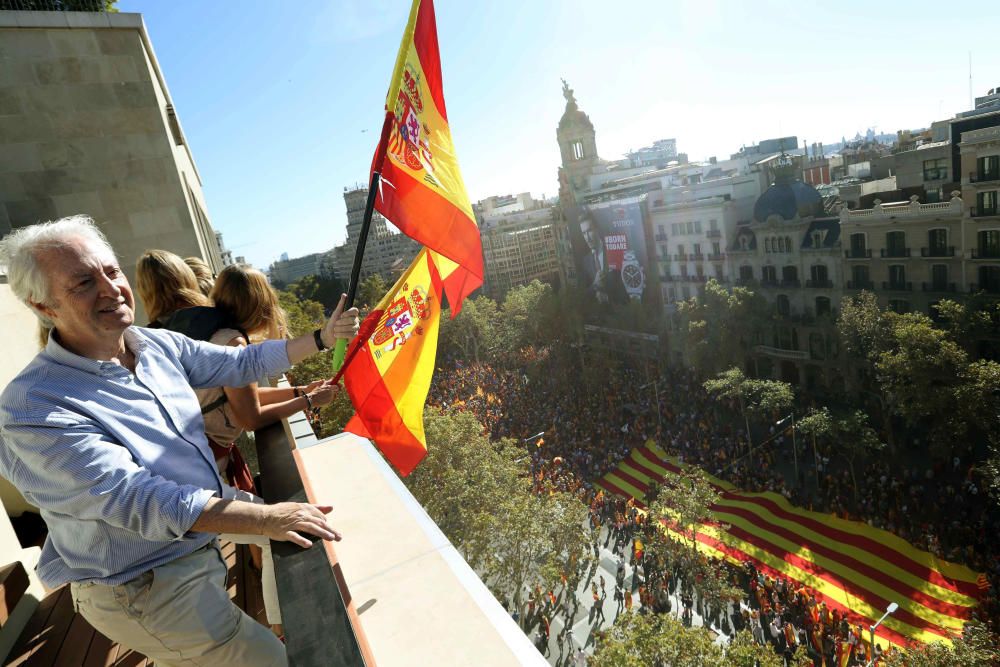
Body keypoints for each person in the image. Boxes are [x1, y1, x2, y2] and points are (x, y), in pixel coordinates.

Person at [0, 216, 359, 666]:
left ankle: (278, 621)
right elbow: (138, 500)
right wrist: (266, 516)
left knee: (286, 540)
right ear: (43, 305)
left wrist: (322, 338)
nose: (111, 289)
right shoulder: (34, 406)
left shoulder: (152, 345)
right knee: (275, 661)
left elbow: (239, 362)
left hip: (191, 537)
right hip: (142, 584)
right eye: (84, 282)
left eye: (112, 271)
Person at [135, 251, 339, 636]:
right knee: (276, 532)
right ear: (262, 304)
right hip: (195, 481)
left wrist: (300, 391)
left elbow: (242, 397)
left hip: (177, 473)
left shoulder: (180, 332)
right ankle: (283, 634)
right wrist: (308, 401)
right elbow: (250, 416)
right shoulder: (230, 342)